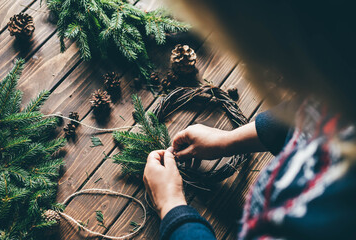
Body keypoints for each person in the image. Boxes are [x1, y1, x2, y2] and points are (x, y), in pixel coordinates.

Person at [143, 1, 356, 239]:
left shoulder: (320, 220)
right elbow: (312, 115)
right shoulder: (341, 84)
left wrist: (171, 206)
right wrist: (229, 140)